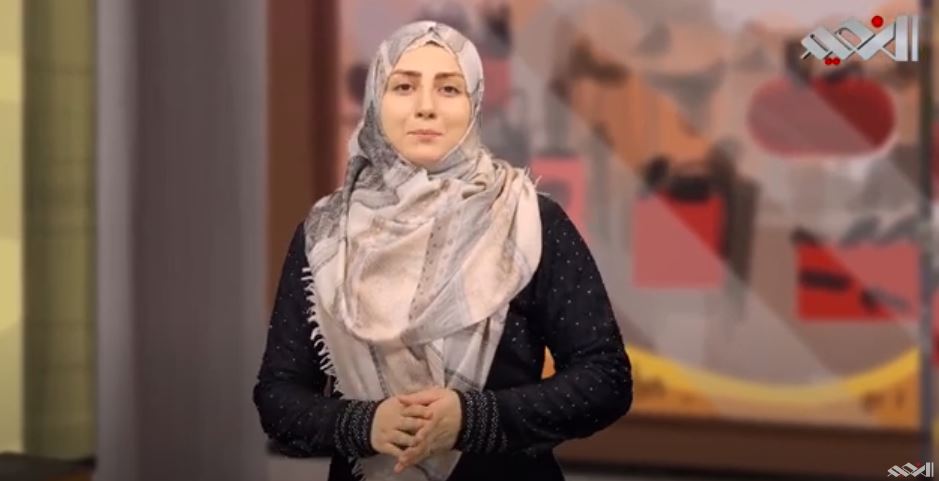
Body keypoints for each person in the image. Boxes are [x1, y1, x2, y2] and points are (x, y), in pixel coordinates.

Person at [253, 21, 632, 481]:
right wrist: (363, 425)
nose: (426, 107)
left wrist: (472, 419)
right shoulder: (328, 233)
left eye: (449, 88)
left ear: (474, 102)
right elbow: (278, 397)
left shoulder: (527, 219)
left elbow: (606, 379)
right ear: (376, 99)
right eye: (404, 86)